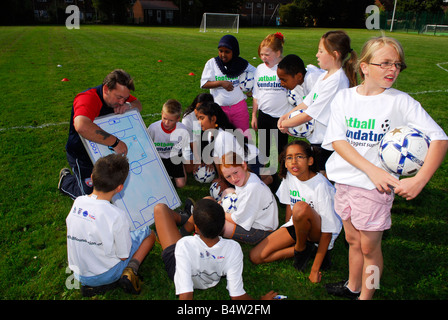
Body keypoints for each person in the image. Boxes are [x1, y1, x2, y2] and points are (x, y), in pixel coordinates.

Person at [322, 36, 448, 300]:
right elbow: (338, 141)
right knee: (353, 240)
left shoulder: (400, 102)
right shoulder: (344, 98)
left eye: (398, 64)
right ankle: (353, 286)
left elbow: (440, 139)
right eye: (386, 63)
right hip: (345, 183)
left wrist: (419, 180)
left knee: (370, 249)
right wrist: (371, 168)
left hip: (374, 190)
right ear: (364, 67)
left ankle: (367, 296)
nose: (393, 70)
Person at [250, 141, 342, 283]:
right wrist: (286, 231)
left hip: (321, 231)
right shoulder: (290, 177)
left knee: (300, 207)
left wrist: (314, 270)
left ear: (310, 161)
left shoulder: (320, 186)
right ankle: (305, 250)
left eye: (299, 157)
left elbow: (328, 231)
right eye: (289, 157)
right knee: (256, 257)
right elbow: (289, 205)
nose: (294, 162)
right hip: (299, 224)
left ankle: (302, 248)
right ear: (285, 163)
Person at [66, 154, 156, 297]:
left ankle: (98, 284)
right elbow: (123, 255)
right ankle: (130, 271)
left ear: (92, 177)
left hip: (79, 274)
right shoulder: (116, 215)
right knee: (149, 234)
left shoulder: (78, 201)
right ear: (119, 187)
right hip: (106, 274)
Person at [154, 198, 277, 300]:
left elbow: (186, 295)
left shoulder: (183, 245)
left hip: (177, 265)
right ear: (223, 225)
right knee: (208, 201)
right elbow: (237, 296)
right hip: (207, 275)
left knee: (160, 209)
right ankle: (185, 224)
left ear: (195, 228)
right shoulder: (233, 248)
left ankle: (184, 223)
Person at [278, 31, 357, 174]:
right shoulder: (325, 76)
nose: (317, 54)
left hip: (328, 141)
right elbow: (307, 103)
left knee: (323, 178)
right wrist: (285, 116)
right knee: (318, 175)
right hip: (318, 139)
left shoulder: (336, 81)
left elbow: (310, 114)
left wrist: (285, 125)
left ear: (335, 54)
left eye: (321, 51)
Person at [58, 69, 142, 200]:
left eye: (124, 98)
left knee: (109, 190)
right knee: (90, 197)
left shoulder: (121, 94)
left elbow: (138, 105)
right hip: (81, 154)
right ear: (106, 89)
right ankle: (66, 181)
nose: (121, 101)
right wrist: (115, 142)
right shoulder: (88, 98)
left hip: (103, 152)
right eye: (119, 97)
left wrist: (128, 105)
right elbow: (81, 126)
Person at [195, 101, 272, 189]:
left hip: (253, 160)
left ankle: (268, 178)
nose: (198, 122)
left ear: (213, 119)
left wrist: (225, 182)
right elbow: (217, 159)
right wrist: (221, 179)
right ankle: (262, 174)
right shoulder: (210, 133)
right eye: (198, 119)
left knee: (245, 188)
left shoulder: (222, 136)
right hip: (239, 162)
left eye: (201, 118)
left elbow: (228, 163)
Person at [201, 35, 256, 138]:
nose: (223, 54)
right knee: (220, 139)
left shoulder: (241, 64)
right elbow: (203, 84)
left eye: (227, 52)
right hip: (218, 109)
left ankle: (243, 154)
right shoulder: (212, 63)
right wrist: (220, 83)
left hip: (239, 108)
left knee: (242, 138)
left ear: (234, 51)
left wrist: (253, 89)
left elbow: (258, 73)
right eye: (220, 51)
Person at [217, 152, 279, 245]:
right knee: (228, 191)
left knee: (214, 220)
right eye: (228, 176)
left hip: (261, 232)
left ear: (244, 165)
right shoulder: (247, 176)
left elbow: (236, 220)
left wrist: (220, 211)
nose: (234, 179)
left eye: (235, 172)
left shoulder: (252, 188)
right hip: (257, 220)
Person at [251, 32, 290, 161]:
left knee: (282, 150)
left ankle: (283, 176)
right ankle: (263, 176)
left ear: (278, 53)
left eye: (267, 55)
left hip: (282, 117)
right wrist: (254, 115)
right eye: (261, 54)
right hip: (264, 115)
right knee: (263, 149)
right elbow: (256, 94)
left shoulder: (286, 68)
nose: (263, 58)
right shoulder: (260, 69)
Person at [147, 99, 190, 188]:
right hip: (159, 158)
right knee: (157, 184)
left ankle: (180, 168)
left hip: (174, 158)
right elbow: (147, 144)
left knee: (181, 185)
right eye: (164, 118)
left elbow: (185, 148)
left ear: (178, 119)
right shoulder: (153, 128)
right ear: (162, 113)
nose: (166, 123)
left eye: (171, 120)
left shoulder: (182, 130)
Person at [181, 93, 214, 173]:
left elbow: (213, 139)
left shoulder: (213, 116)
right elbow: (191, 141)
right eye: (197, 107)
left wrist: (209, 158)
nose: (198, 111)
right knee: (189, 169)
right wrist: (198, 160)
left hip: (208, 142)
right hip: (192, 143)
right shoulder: (187, 119)